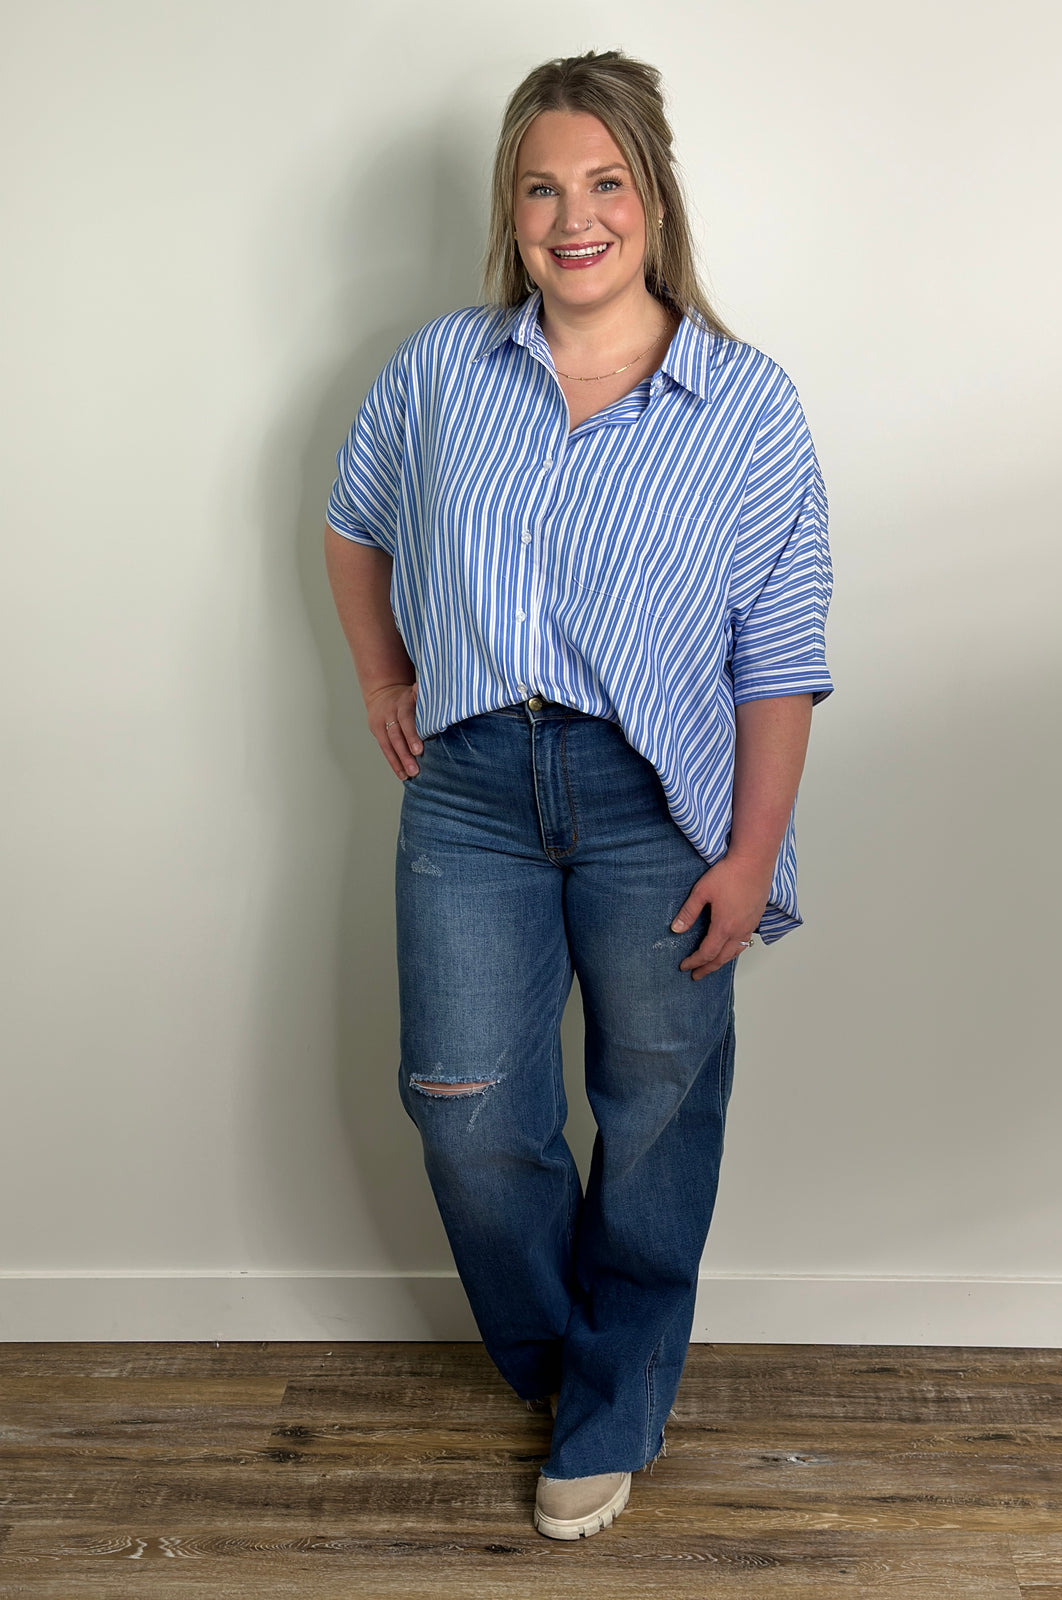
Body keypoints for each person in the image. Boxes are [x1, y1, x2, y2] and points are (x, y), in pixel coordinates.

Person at [323, 48, 833, 1540]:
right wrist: (379, 680)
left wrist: (754, 849)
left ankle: (612, 1396)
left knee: (656, 1106)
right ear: (511, 209)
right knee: (468, 1112)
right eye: (543, 187)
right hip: (473, 784)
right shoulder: (439, 371)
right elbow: (356, 522)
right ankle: (578, 1364)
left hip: (654, 794)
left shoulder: (740, 406)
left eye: (605, 181)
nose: (574, 215)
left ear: (656, 200)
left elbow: (779, 653)